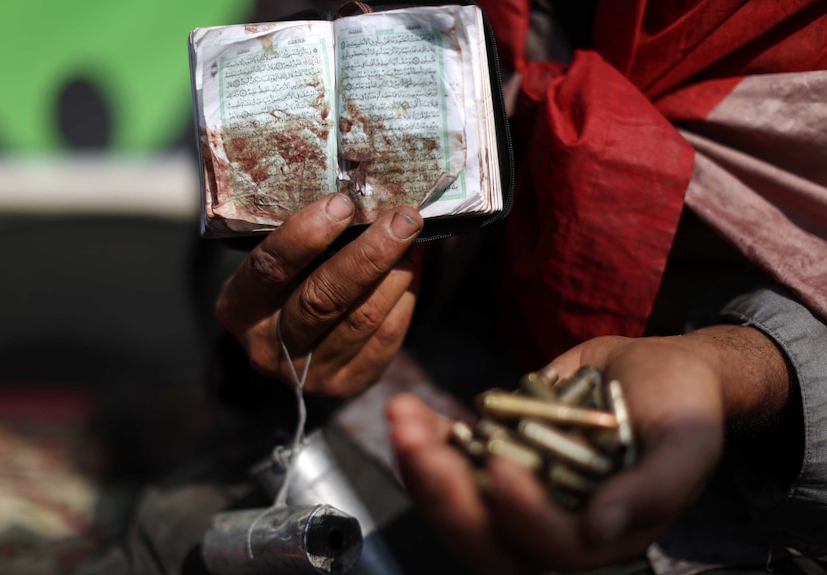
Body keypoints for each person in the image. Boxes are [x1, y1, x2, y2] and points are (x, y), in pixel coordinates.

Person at [214, 0, 827, 574]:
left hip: (757, 505)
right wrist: (276, 281)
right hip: (381, 395)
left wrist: (749, 371)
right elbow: (264, 72)